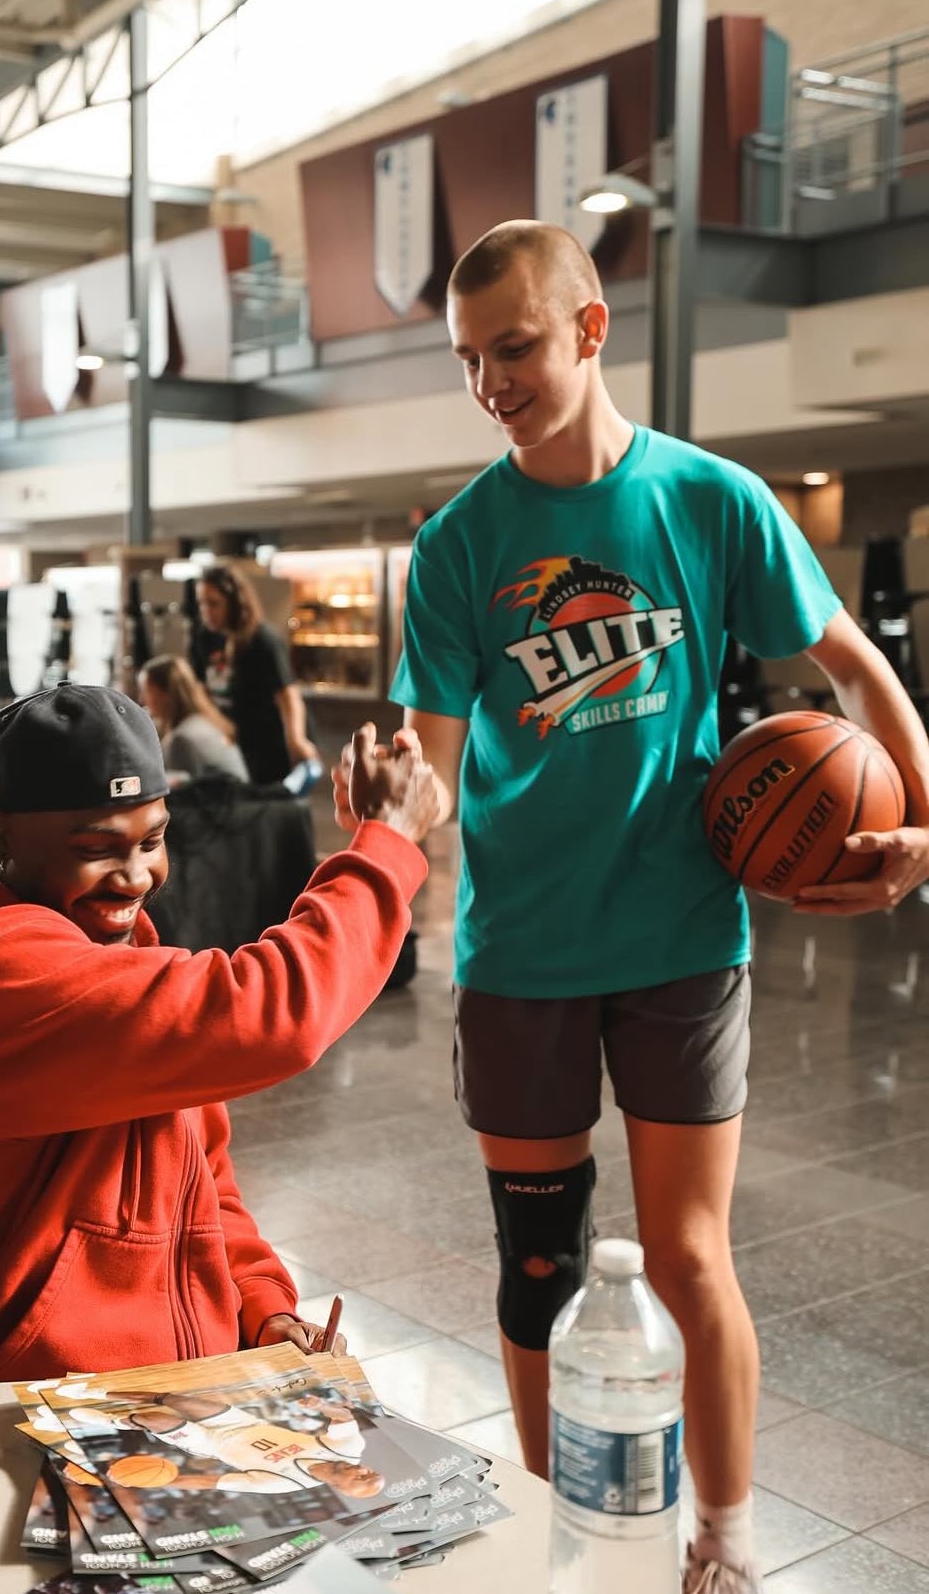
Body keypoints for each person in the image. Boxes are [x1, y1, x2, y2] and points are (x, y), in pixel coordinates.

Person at [335, 220, 929, 1594]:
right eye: (471, 360)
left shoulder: (712, 501)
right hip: (523, 952)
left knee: (689, 1251)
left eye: (517, 346)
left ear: (591, 330)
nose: (493, 379)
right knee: (539, 1260)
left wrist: (916, 816)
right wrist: (388, 802)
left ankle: (724, 1525)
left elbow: (847, 663)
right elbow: (427, 770)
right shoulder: (455, 546)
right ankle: (563, 1529)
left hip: (682, 941)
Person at [0, 684, 437, 1385]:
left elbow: (202, 1178)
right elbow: (271, 1012)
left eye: (153, 838)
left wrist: (262, 1312)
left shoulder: (106, 950)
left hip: (164, 1397)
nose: (137, 875)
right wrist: (385, 847)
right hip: (33, 1415)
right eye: (97, 848)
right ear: (2, 834)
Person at [66, 1390, 383, 1498]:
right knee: (174, 1399)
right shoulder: (348, 1449)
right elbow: (342, 1416)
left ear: (342, 1488)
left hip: (210, 1444)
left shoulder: (285, 1484)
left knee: (154, 1418)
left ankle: (110, 1421)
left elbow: (210, 1481)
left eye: (363, 1478)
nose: (365, 1469)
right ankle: (93, 1393)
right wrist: (322, 1407)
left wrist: (131, 1484)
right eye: (372, 1471)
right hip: (241, 1424)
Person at [191, 564, 320, 785]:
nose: (206, 611)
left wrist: (296, 741)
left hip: (272, 741)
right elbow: (200, 689)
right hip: (240, 739)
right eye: (202, 603)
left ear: (233, 603)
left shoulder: (262, 640)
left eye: (214, 604)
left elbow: (288, 695)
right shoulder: (206, 639)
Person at [138, 654, 250, 784]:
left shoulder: (182, 739)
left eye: (146, 691)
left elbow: (174, 796)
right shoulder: (204, 723)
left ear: (165, 693)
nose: (141, 700)